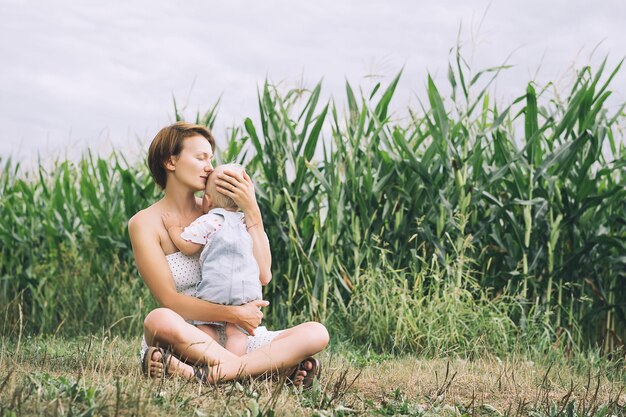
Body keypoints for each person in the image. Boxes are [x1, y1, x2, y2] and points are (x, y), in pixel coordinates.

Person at [129, 122, 328, 386]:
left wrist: (252, 210)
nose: (210, 167)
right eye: (201, 157)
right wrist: (234, 314)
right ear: (170, 162)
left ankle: (205, 374)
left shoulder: (223, 214)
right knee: (157, 319)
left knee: (317, 333)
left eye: (211, 158)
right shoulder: (144, 223)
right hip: (190, 335)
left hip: (240, 335)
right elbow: (170, 300)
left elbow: (263, 274)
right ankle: (265, 369)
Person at [161, 163, 268, 356]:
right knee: (237, 334)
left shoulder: (211, 220)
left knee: (206, 328)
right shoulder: (245, 223)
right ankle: (235, 364)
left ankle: (212, 359)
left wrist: (173, 229)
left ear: (207, 201)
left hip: (215, 288)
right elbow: (264, 274)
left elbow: (187, 246)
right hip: (246, 292)